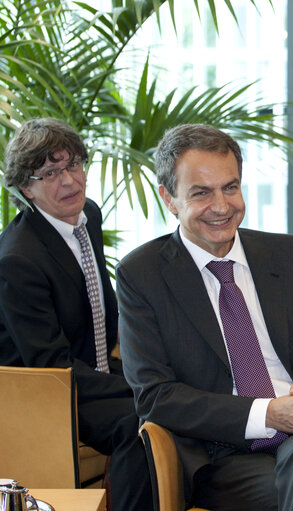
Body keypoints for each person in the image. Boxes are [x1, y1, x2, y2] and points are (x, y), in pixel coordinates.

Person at [117, 124, 293, 511]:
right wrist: (268, 415)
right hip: (224, 454)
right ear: (169, 198)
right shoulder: (142, 274)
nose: (222, 206)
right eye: (201, 193)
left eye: (230, 187)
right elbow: (155, 395)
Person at [0, 118, 152, 511]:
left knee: (180, 399)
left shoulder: (89, 217)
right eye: (50, 173)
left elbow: (102, 309)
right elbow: (50, 365)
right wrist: (138, 387)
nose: (68, 181)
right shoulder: (17, 260)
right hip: (43, 393)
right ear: (25, 188)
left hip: (92, 369)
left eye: (73, 165)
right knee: (141, 426)